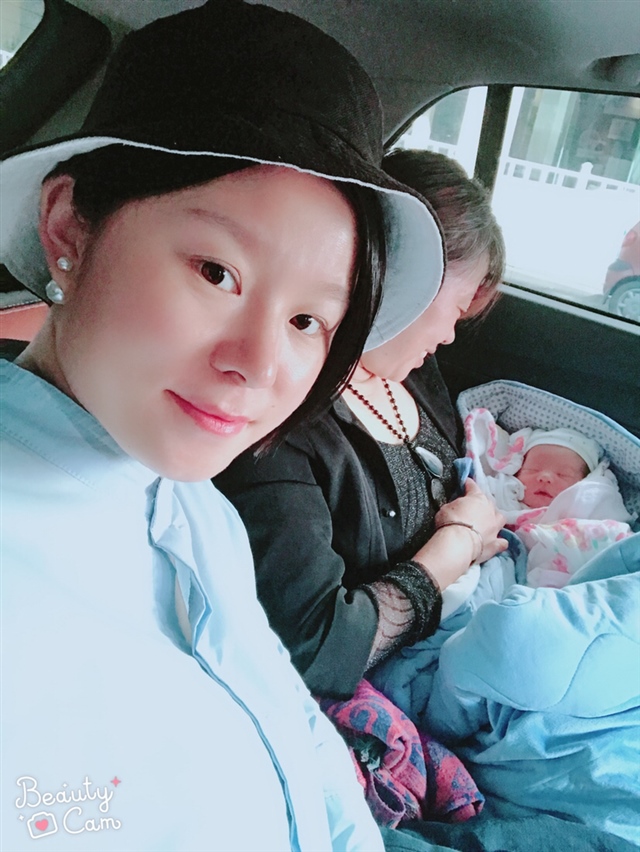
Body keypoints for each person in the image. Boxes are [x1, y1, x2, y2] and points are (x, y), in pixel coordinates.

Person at [0, 3, 449, 850]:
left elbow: (296, 729)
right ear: (68, 228)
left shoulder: (199, 511)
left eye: (309, 321)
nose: (260, 364)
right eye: (218, 273)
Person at [216, 148, 509, 700]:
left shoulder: (410, 370)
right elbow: (314, 648)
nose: (450, 335)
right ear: (405, 276)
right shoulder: (282, 429)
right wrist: (457, 545)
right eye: (455, 309)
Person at [463, 414, 635, 587]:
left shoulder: (586, 507)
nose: (545, 477)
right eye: (532, 469)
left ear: (584, 482)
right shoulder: (502, 494)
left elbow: (613, 539)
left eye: (563, 474)